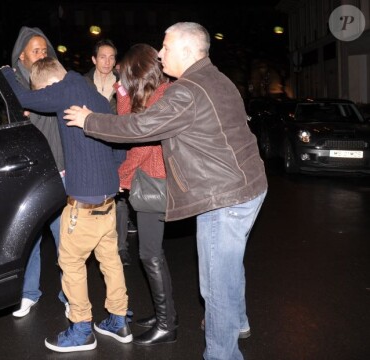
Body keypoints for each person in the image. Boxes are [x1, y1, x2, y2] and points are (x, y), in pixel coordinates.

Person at [64, 22, 268, 360]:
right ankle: (238, 321)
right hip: (249, 186)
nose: (160, 54)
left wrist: (89, 121)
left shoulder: (188, 90)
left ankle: (221, 354)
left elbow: (142, 127)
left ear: (187, 51)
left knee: (214, 283)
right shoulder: (217, 79)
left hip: (225, 196)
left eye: (167, 47)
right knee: (229, 267)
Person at [1, 57, 131, 353]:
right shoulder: (94, 94)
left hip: (84, 203)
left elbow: (22, 97)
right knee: (110, 261)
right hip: (109, 200)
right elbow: (117, 143)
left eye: (43, 92)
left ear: (49, 84)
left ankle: (82, 328)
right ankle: (118, 319)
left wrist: (6, 72)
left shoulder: (65, 88)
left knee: (70, 263)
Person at [114, 43, 177, 345]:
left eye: (128, 77)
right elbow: (129, 126)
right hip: (151, 178)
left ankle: (167, 325)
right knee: (154, 254)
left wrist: (122, 176)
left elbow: (140, 142)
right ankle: (164, 315)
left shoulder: (163, 95)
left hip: (155, 180)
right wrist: (124, 95)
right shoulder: (154, 93)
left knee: (149, 254)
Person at [8, 26, 68, 318]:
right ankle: (29, 293)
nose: (42, 54)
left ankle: (70, 294)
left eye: (45, 50)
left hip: (59, 171)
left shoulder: (58, 82)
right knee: (29, 237)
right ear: (21, 56)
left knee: (65, 240)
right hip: (30, 176)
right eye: (36, 50)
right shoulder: (12, 87)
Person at [84, 38, 135, 266]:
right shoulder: (83, 84)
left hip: (118, 146)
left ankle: (121, 248)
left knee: (120, 197)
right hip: (92, 146)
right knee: (95, 196)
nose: (107, 61)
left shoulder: (125, 85)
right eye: (103, 56)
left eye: (112, 57)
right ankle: (97, 246)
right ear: (94, 59)